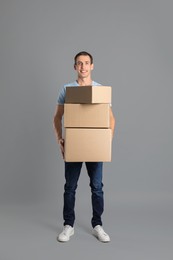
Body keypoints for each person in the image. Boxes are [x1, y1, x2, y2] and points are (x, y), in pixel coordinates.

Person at [53, 51, 115, 242]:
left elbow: (111, 119)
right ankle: (68, 225)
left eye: (86, 63)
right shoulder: (67, 89)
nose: (83, 67)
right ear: (75, 67)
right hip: (74, 144)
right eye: (79, 63)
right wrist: (60, 139)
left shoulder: (100, 90)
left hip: (95, 145)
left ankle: (97, 225)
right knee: (70, 187)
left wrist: (106, 140)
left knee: (97, 187)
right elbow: (57, 117)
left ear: (92, 66)